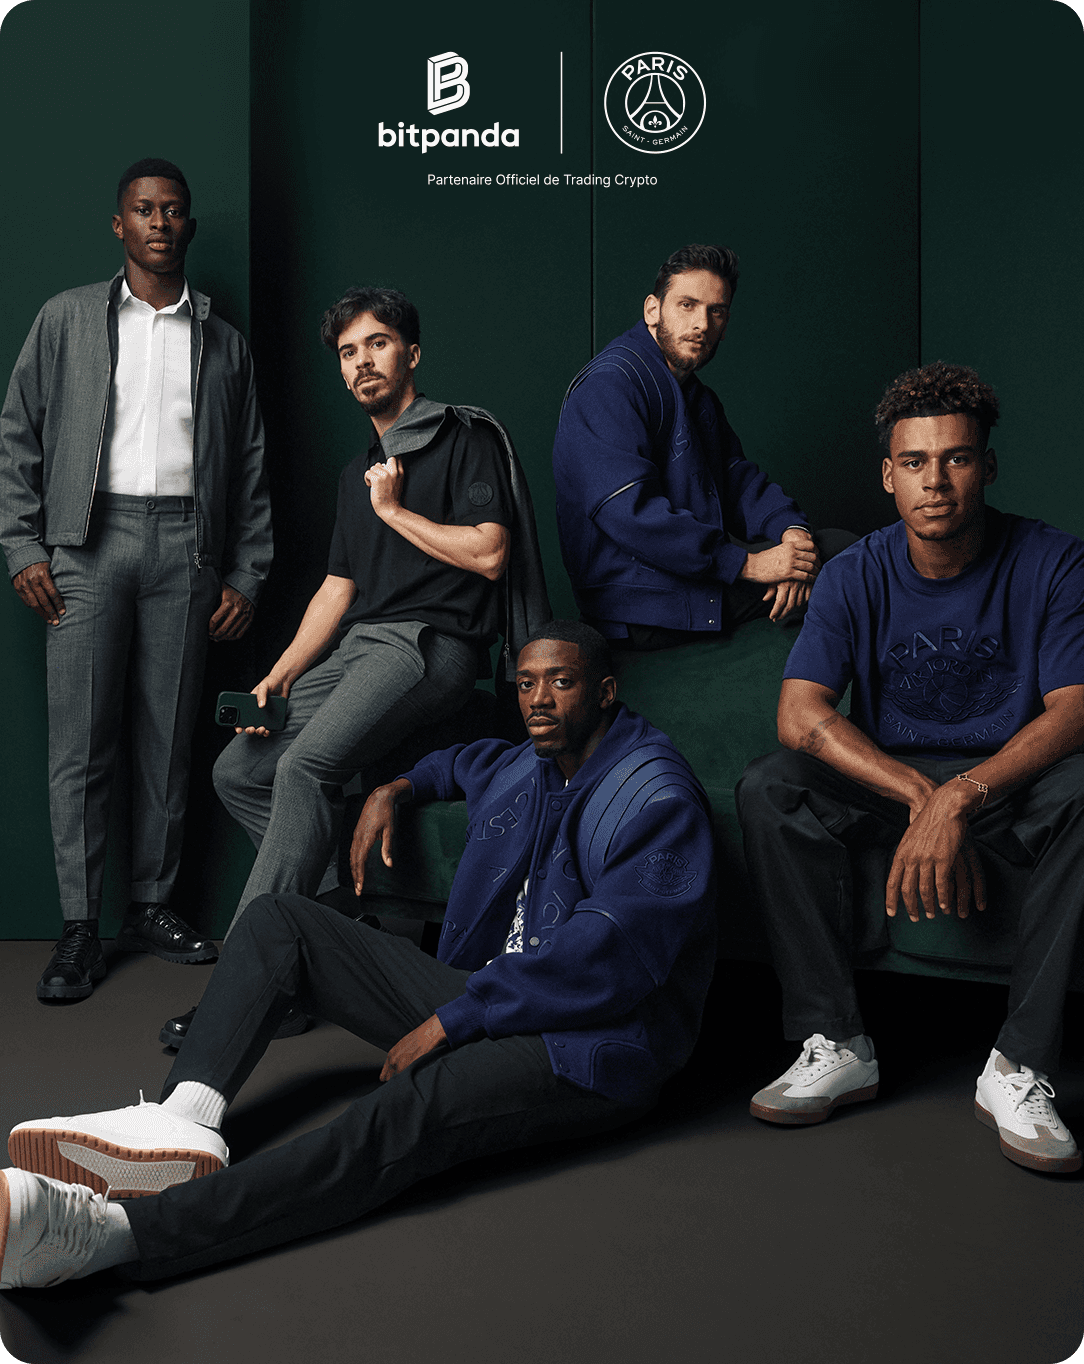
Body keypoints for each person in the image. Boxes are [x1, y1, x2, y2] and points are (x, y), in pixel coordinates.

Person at [0, 622, 717, 1289]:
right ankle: (184, 1122)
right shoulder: (538, 758)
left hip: (588, 1045)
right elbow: (465, 763)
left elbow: (609, 961)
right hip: (489, 994)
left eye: (559, 682)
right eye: (526, 683)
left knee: (399, 1111)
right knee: (282, 920)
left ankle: (110, 1235)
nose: (537, 700)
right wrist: (393, 788)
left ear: (605, 691)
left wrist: (457, 1019)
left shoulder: (653, 796)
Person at [161, 286, 548, 1047]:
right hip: (361, 647)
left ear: (410, 352)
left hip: (430, 647)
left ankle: (243, 988)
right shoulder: (357, 472)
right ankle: (327, 930)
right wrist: (280, 674)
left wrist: (398, 513)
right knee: (238, 770)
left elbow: (493, 554)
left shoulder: (459, 438)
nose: (363, 361)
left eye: (377, 343)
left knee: (303, 769)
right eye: (347, 352)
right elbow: (337, 590)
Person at [735, 361, 1084, 1174]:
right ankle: (838, 1040)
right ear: (888, 475)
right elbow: (800, 716)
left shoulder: (1055, 562)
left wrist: (963, 796)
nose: (938, 482)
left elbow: (1075, 709)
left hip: (1010, 777)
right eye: (917, 463)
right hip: (899, 780)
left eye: (957, 459)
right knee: (770, 787)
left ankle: (1019, 1066)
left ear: (986, 467)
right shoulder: (857, 571)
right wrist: (926, 798)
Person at [0, 158, 272, 1002]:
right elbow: (17, 436)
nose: (159, 222)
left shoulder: (223, 342)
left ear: (189, 226)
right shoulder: (66, 319)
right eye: (143, 210)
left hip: (186, 550)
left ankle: (152, 905)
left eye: (174, 210)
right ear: (119, 226)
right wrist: (23, 547)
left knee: (168, 739)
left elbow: (253, 468)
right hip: (87, 542)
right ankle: (80, 926)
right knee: (79, 744)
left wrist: (248, 572)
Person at [552, 243, 846, 651]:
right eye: (687, 305)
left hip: (683, 583)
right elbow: (629, 512)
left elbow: (736, 478)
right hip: (638, 605)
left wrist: (793, 535)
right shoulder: (610, 384)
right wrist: (748, 564)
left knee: (825, 550)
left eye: (716, 311)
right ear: (653, 310)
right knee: (845, 559)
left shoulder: (696, 396)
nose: (702, 324)